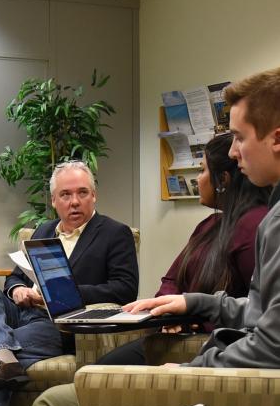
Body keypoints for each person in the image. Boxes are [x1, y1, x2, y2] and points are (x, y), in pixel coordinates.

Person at [32, 66, 280, 406]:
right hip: (220, 360)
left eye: (239, 138)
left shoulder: (266, 224)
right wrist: (191, 302)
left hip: (244, 384)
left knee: (55, 403)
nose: (235, 152)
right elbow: (260, 313)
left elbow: (271, 343)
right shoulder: (251, 219)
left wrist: (191, 371)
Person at [0, 160, 138, 406]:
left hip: (58, 323)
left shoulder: (114, 233)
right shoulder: (43, 230)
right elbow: (15, 276)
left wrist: (63, 293)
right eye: (65, 195)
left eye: (82, 193)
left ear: (94, 195)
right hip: (23, 310)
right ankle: (2, 351)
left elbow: (125, 289)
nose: (74, 201)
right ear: (54, 200)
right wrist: (17, 289)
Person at [94, 133, 269, 365]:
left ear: (223, 179)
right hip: (175, 335)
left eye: (202, 170)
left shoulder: (254, 227)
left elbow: (256, 308)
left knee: (97, 376)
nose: (198, 178)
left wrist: (193, 318)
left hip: (211, 345)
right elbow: (171, 280)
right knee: (98, 370)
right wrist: (169, 312)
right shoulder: (209, 225)